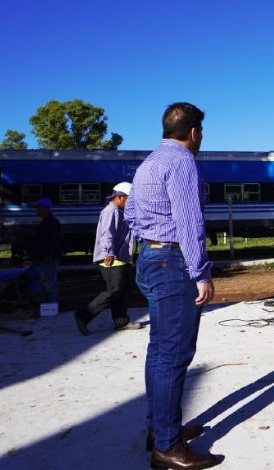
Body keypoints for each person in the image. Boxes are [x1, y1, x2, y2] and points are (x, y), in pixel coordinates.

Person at [124, 102, 219, 470]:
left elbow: (130, 212)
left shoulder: (150, 162)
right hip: (174, 264)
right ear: (194, 132)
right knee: (174, 355)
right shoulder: (182, 163)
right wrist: (200, 272)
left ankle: (160, 428)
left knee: (159, 351)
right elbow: (189, 222)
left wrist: (149, 240)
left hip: (150, 258)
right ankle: (167, 447)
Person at [74, 182, 142, 336]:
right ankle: (84, 315)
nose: (131, 203)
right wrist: (109, 252)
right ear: (120, 197)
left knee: (122, 291)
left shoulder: (120, 211)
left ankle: (121, 322)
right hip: (111, 257)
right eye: (129, 199)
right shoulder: (110, 211)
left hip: (121, 257)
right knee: (114, 289)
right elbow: (107, 234)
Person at [34, 198, 62, 304]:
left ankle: (52, 305)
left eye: (38, 208)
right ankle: (50, 305)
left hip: (48, 258)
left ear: (45, 209)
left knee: (49, 282)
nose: (37, 211)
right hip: (46, 256)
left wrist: (48, 255)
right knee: (47, 282)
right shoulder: (48, 222)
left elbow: (53, 240)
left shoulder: (50, 223)